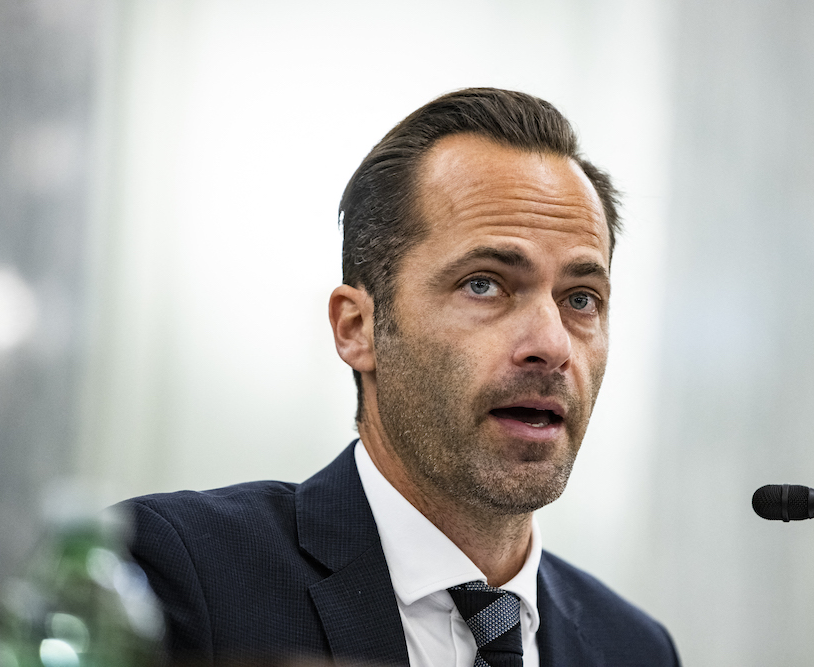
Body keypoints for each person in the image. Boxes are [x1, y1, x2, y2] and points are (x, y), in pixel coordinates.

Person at [122, 88, 680, 667]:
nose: (552, 345)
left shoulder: (636, 649)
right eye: (484, 284)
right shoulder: (177, 572)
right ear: (357, 327)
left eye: (581, 298)